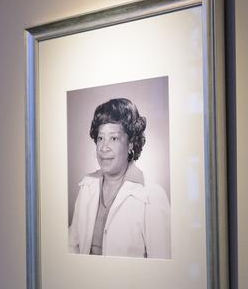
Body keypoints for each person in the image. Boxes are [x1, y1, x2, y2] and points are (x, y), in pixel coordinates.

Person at [68, 97, 171, 258]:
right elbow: (72, 248)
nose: (104, 148)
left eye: (113, 138)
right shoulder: (86, 186)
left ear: (131, 143)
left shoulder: (153, 197)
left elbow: (162, 268)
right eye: (100, 138)